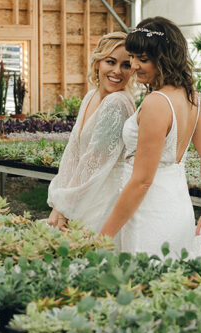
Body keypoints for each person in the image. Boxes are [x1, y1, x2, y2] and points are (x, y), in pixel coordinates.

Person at [98, 17, 201, 262]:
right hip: (176, 203)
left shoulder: (157, 103)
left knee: (144, 279)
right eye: (133, 57)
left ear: (166, 58)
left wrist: (105, 235)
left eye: (144, 59)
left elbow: (142, 181)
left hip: (148, 209)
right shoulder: (193, 98)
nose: (134, 65)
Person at [46, 32, 136, 233]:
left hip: (103, 195)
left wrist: (65, 208)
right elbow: (73, 152)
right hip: (83, 193)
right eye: (110, 62)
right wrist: (59, 200)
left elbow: (95, 161)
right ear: (97, 63)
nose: (117, 71)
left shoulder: (117, 103)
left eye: (126, 65)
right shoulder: (90, 96)